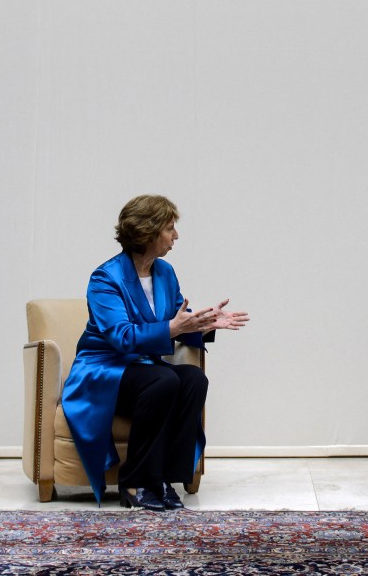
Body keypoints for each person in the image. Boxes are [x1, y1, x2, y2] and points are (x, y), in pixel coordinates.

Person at [61, 194, 249, 511]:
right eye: (170, 228)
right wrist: (174, 328)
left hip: (145, 368)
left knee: (192, 379)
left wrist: (205, 324)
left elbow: (177, 321)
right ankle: (135, 482)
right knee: (163, 379)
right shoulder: (105, 278)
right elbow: (121, 337)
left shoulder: (165, 273)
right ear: (147, 232)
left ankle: (165, 479)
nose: (175, 236)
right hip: (104, 370)